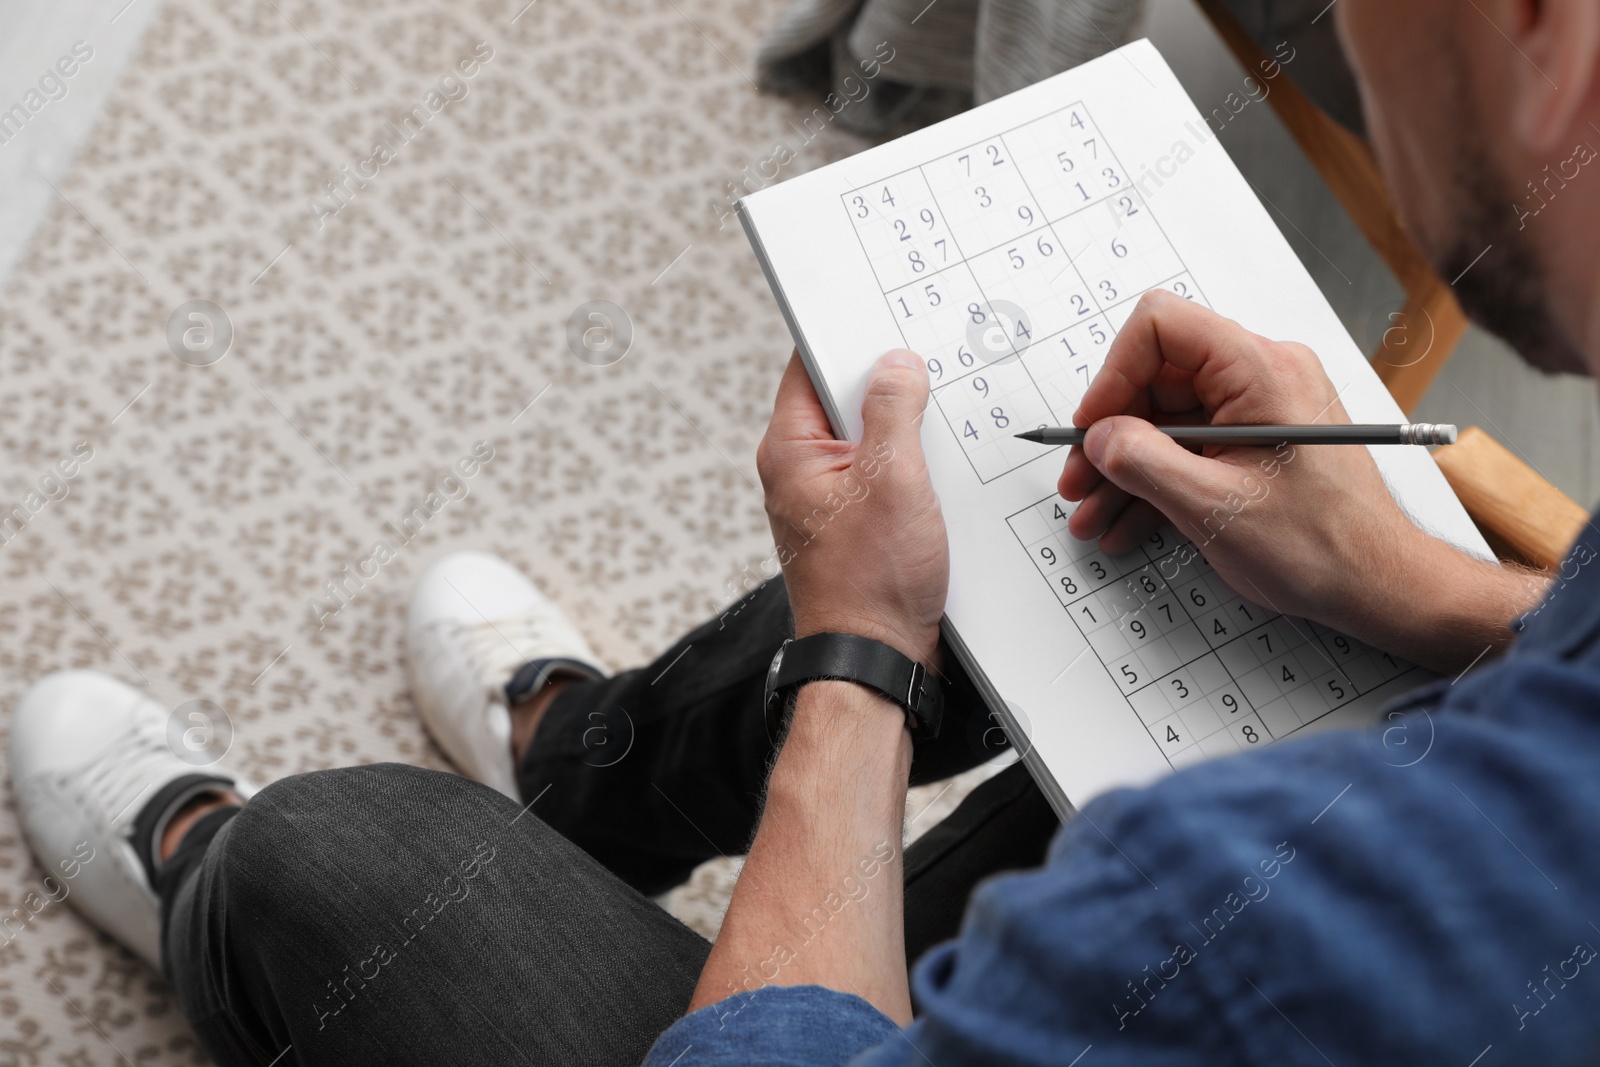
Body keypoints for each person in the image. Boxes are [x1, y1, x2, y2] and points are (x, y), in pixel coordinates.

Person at [13, 0, 1600, 1061]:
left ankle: (220, 905)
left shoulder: (1213, 914)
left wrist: (859, 659)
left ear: (1543, 32)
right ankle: (577, 781)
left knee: (329, 862)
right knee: (1085, 556)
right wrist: (1434, 590)